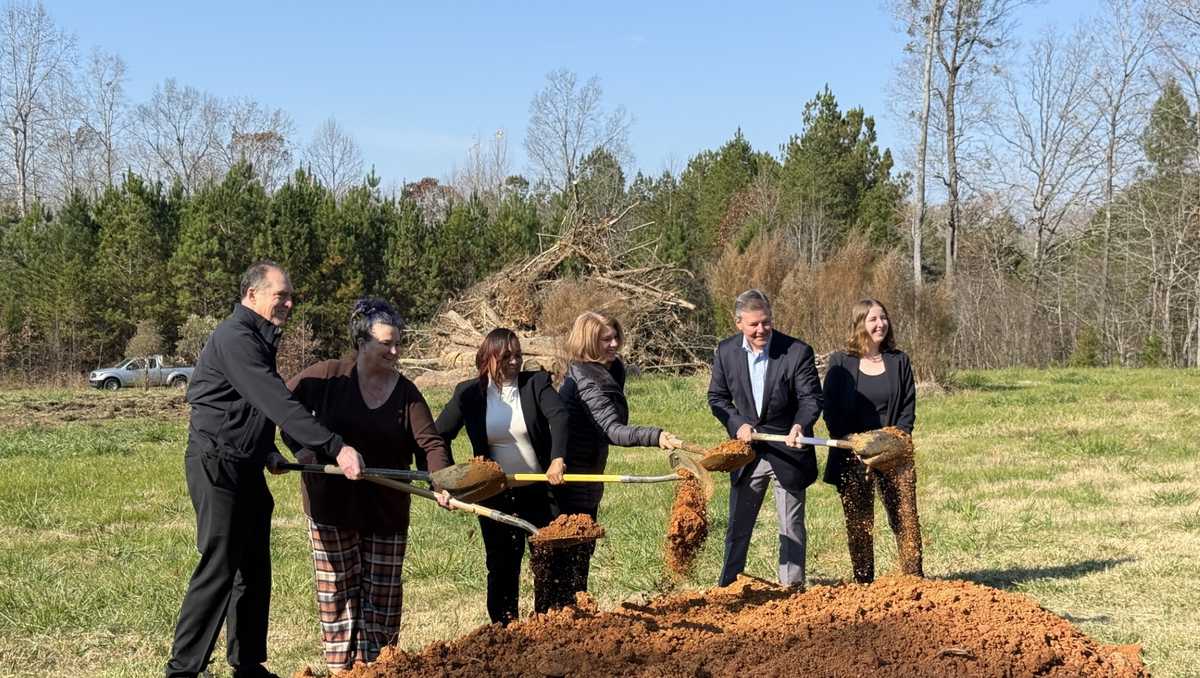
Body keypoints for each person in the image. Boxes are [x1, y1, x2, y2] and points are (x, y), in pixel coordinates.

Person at [166, 261, 364, 678]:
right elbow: (274, 399)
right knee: (219, 564)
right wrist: (334, 447)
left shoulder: (257, 338)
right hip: (217, 465)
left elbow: (244, 406)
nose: (289, 303)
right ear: (252, 295)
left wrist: (270, 449)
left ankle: (248, 664)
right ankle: (182, 670)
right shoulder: (236, 337)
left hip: (246, 464)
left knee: (253, 568)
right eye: (281, 295)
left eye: (291, 296)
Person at [284, 299, 455, 672]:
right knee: (338, 594)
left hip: (386, 509)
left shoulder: (406, 394)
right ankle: (342, 670)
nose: (395, 352)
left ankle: (378, 668)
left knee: (382, 596)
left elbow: (431, 444)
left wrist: (441, 481)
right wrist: (304, 453)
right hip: (331, 506)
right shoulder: (328, 376)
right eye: (386, 345)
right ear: (362, 343)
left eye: (398, 344)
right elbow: (283, 408)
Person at [546, 311, 682, 608]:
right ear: (587, 341)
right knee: (564, 553)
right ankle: (553, 617)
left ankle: (574, 613)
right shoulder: (585, 377)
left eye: (615, 336)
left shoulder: (612, 368)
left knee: (582, 548)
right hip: (568, 475)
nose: (614, 343)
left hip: (592, 469)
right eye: (605, 339)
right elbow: (612, 429)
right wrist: (655, 436)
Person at [436, 328, 568, 625]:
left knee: (548, 560)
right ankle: (505, 630)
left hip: (539, 490)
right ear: (488, 358)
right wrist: (447, 479)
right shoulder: (468, 393)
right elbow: (439, 434)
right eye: (506, 356)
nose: (515, 362)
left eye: (519, 355)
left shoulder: (535, 384)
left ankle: (549, 624)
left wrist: (558, 459)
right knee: (502, 564)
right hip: (495, 494)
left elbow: (559, 416)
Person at [707, 289, 822, 589]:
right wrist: (737, 424)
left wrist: (800, 425)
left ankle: (792, 589)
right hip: (748, 453)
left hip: (788, 450)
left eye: (766, 323)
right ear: (739, 323)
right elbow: (717, 398)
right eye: (754, 324)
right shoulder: (726, 352)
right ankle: (729, 587)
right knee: (738, 526)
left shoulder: (797, 351)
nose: (761, 330)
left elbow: (810, 399)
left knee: (791, 526)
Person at [821, 298, 922, 583]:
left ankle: (914, 579)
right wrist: (853, 441)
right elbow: (831, 409)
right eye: (873, 319)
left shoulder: (899, 361)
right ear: (859, 325)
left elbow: (907, 407)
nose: (880, 324)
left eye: (883, 318)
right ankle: (864, 582)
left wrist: (895, 441)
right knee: (859, 523)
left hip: (893, 454)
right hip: (853, 454)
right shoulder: (841, 362)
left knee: (906, 520)